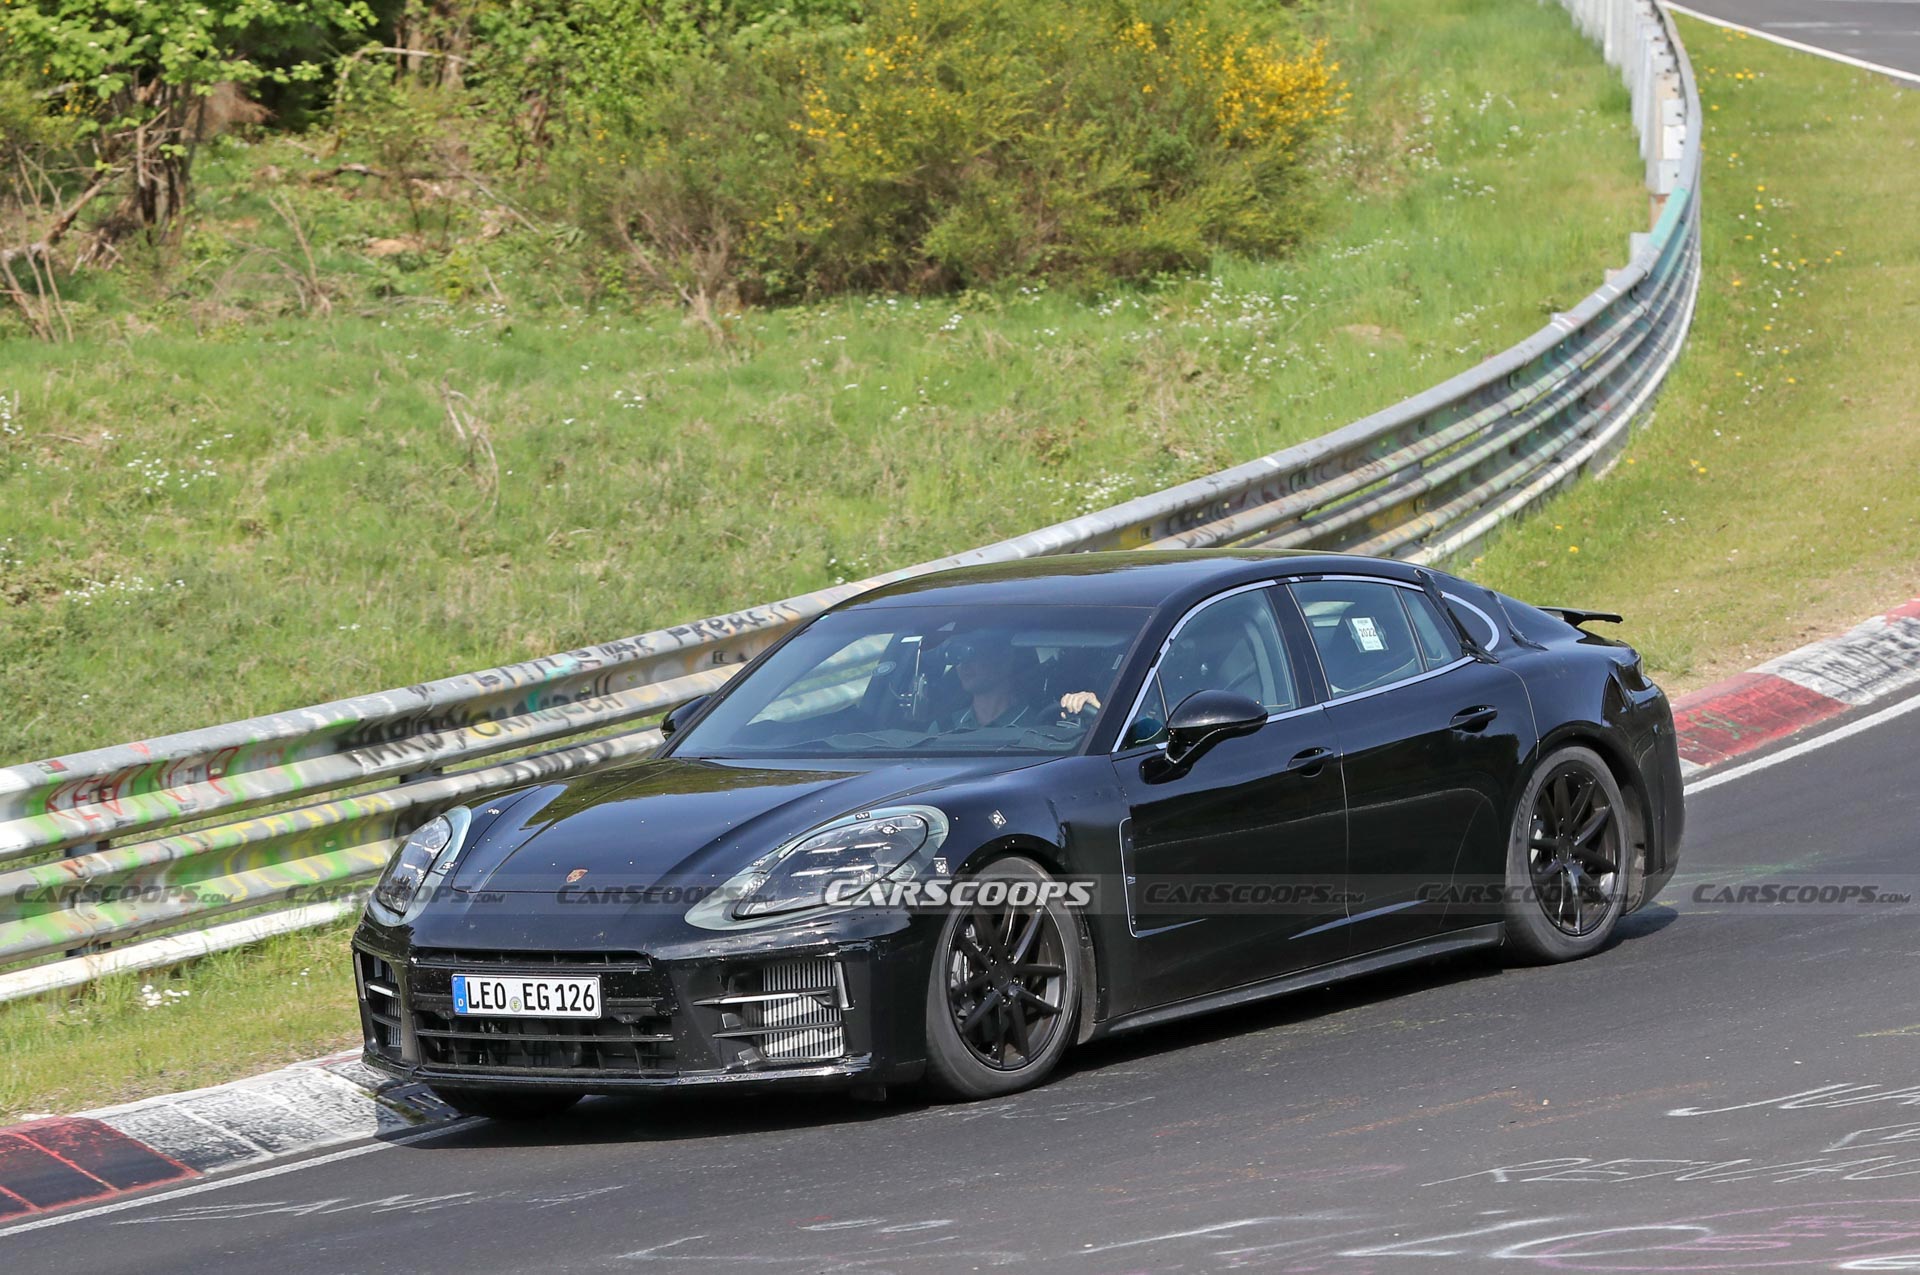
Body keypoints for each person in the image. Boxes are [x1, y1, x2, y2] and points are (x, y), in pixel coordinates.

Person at [942, 632, 1101, 730]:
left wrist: (1097, 714)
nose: (963, 663)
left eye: (972, 653)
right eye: (958, 656)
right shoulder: (943, 728)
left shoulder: (1047, 724)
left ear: (1005, 659)